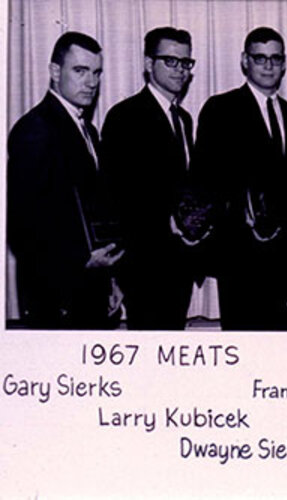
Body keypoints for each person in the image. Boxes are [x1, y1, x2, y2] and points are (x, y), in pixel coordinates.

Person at [7, 31, 123, 329]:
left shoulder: (88, 131)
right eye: (80, 71)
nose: (92, 82)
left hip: (90, 290)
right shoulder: (35, 129)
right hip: (56, 297)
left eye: (96, 72)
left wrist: (109, 279)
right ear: (55, 72)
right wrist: (83, 259)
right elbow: (22, 226)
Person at [192, 27, 287, 330]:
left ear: (284, 63)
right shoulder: (220, 109)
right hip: (240, 257)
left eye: (275, 58)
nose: (268, 66)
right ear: (245, 61)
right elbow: (205, 180)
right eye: (260, 58)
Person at [101, 27, 198, 330]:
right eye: (170, 61)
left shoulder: (183, 119)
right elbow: (115, 196)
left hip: (180, 263)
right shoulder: (124, 116)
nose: (180, 70)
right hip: (144, 265)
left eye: (185, 63)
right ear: (147, 63)